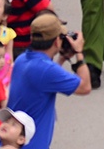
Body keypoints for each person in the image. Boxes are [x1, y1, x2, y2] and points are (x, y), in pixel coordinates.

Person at [8, 12, 92, 149]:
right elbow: (85, 87)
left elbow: (44, 81)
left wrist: (61, 59)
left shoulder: (22, 60)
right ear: (57, 41)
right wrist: (79, 52)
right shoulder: (46, 70)